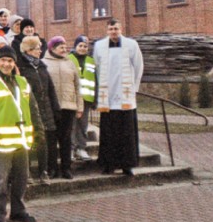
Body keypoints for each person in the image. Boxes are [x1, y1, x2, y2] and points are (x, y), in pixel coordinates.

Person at [0, 45, 38, 222]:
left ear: (14, 63)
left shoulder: (23, 82)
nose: (6, 64)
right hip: (1, 141)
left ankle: (18, 211)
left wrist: (39, 131)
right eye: (3, 60)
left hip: (21, 139)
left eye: (10, 61)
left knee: (22, 178)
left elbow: (33, 109)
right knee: (1, 181)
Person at [94, 19, 143, 176]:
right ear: (107, 30)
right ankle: (109, 165)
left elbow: (138, 66)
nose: (113, 31)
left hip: (125, 96)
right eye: (110, 29)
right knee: (108, 133)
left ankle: (127, 165)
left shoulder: (131, 44)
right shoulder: (99, 46)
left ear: (121, 29)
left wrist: (134, 88)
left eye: (116, 28)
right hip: (107, 96)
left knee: (126, 132)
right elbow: (97, 67)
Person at [17, 35, 60, 186]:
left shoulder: (41, 66)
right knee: (28, 142)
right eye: (37, 48)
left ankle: (44, 172)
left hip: (45, 108)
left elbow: (50, 89)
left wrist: (55, 108)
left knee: (43, 141)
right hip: (29, 109)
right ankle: (27, 172)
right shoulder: (21, 67)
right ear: (28, 50)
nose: (39, 51)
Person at [43, 36, 83, 180]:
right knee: (51, 140)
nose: (64, 50)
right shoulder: (44, 63)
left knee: (66, 139)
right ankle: (52, 168)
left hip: (68, 106)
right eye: (61, 47)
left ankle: (66, 168)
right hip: (51, 108)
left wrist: (80, 106)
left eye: (65, 47)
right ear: (52, 48)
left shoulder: (71, 63)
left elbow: (78, 86)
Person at [68, 35, 96, 161]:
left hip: (86, 99)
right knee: (72, 125)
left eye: (85, 46)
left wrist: (95, 99)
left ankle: (81, 148)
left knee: (83, 125)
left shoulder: (91, 60)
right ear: (75, 46)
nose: (83, 48)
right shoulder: (68, 59)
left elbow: (95, 80)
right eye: (80, 45)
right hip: (72, 98)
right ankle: (71, 149)